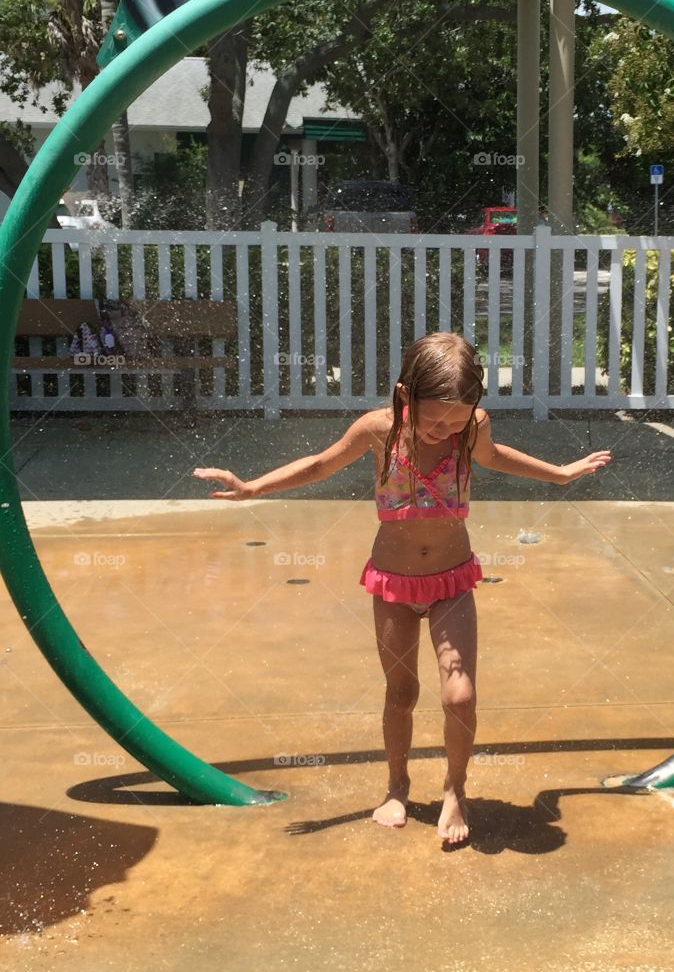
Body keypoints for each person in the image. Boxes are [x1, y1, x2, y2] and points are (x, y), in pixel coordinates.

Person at [192, 332, 612, 844]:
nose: (443, 430)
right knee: (402, 692)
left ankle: (455, 790)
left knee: (460, 697)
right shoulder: (378, 429)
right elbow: (321, 464)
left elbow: (497, 457)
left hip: (452, 579)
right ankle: (396, 784)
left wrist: (561, 475)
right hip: (392, 582)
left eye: (455, 419)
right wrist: (253, 487)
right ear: (403, 395)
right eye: (433, 418)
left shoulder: (471, 427)